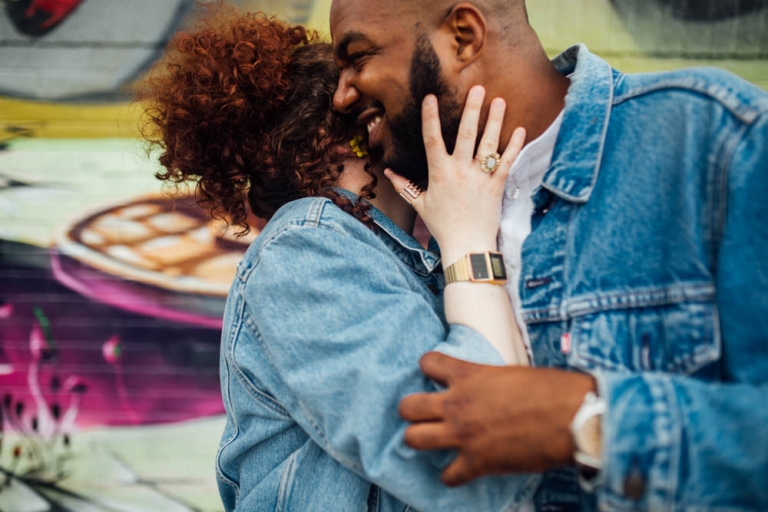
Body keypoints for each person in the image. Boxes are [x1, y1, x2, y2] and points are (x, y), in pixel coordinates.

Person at [329, 0, 768, 510]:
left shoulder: (711, 142)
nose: (341, 95)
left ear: (464, 37)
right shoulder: (424, 230)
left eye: (357, 58)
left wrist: (585, 419)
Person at [136, 4, 534, 511]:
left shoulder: (396, 255)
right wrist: (469, 241)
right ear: (347, 138)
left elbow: (509, 417)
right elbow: (462, 460)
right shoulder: (309, 246)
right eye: (376, 110)